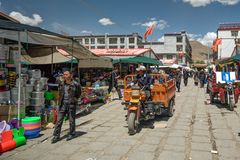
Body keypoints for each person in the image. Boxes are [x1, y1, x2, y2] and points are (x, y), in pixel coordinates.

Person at [51, 71, 81, 143]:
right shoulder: (61, 83)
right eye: (64, 74)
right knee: (59, 120)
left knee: (71, 120)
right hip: (62, 104)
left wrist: (74, 100)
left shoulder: (76, 84)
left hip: (71, 104)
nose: (65, 75)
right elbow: (59, 93)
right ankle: (56, 135)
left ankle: (72, 133)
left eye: (66, 74)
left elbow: (79, 93)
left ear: (70, 75)